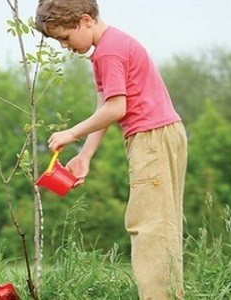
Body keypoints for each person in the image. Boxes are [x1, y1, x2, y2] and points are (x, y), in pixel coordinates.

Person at [36, 0, 187, 299]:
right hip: (157, 135)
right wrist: (85, 155)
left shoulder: (109, 52)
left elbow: (118, 108)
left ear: (84, 21)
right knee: (160, 223)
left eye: (65, 38)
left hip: (151, 139)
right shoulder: (107, 49)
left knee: (151, 227)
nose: (65, 47)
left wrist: (72, 132)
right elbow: (106, 107)